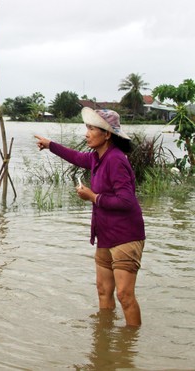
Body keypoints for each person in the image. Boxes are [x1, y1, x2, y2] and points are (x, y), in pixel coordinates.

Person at [34, 107, 146, 327]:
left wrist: (93, 197)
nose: (86, 133)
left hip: (125, 236)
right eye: (87, 127)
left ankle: (131, 346)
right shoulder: (97, 157)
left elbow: (126, 202)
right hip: (105, 235)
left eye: (92, 128)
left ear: (107, 135)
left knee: (124, 295)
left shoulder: (115, 160)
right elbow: (76, 157)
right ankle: (104, 340)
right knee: (103, 290)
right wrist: (50, 145)